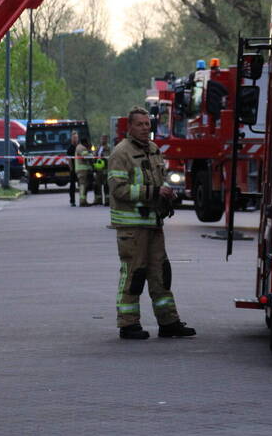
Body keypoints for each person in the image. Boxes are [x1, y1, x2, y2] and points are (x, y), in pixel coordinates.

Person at [108, 106, 195, 340]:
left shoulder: (154, 150)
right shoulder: (120, 153)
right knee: (134, 274)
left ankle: (169, 322)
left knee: (161, 274)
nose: (145, 128)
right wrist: (153, 191)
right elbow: (118, 189)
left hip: (154, 225)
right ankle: (128, 325)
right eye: (140, 124)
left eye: (148, 124)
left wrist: (166, 196)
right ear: (130, 127)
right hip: (132, 228)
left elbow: (159, 181)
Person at [75, 137, 95, 206]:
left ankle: (84, 200)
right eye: (87, 144)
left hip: (83, 170)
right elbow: (86, 156)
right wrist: (92, 154)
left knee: (84, 185)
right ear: (85, 143)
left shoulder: (81, 147)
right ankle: (82, 201)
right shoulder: (81, 147)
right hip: (82, 170)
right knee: (83, 185)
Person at [94, 134, 111, 207]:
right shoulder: (98, 147)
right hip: (98, 169)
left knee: (106, 185)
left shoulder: (109, 148)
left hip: (105, 169)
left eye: (104, 139)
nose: (103, 140)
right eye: (102, 138)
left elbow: (109, 157)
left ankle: (107, 201)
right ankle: (99, 200)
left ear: (107, 140)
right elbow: (95, 155)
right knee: (97, 185)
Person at [67, 131, 79, 207]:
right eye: (74, 138)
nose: (75, 139)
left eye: (76, 138)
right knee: (72, 185)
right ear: (71, 139)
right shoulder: (70, 148)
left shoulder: (79, 147)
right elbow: (69, 160)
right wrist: (71, 169)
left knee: (82, 185)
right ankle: (72, 201)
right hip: (73, 169)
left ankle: (82, 200)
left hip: (80, 169)